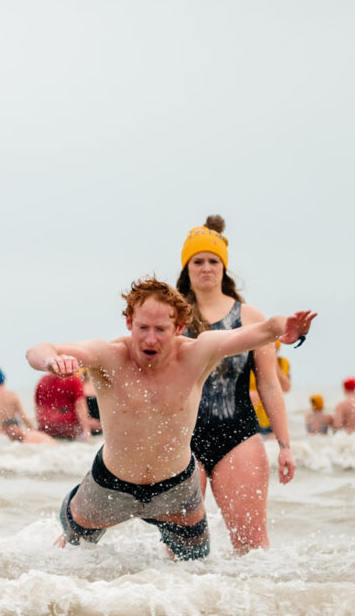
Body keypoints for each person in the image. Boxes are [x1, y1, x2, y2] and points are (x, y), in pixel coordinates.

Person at [27, 277, 314, 560]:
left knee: (195, 573)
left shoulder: (198, 353)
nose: (150, 339)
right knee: (66, 559)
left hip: (176, 490)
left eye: (161, 329)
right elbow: (39, 349)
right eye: (142, 328)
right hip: (110, 486)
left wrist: (281, 327)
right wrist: (51, 361)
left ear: (178, 327)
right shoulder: (109, 355)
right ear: (129, 322)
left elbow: (259, 331)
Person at [175, 217, 294, 552]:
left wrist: (285, 446)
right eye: (198, 261)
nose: (206, 268)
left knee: (252, 548)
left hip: (238, 436)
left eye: (213, 261)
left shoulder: (250, 318)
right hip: (183, 443)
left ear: (224, 267)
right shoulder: (173, 319)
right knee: (180, 553)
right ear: (187, 268)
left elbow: (269, 385)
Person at [34, 368, 92, 441]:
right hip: (67, 428)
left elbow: (38, 407)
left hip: (46, 428)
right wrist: (86, 430)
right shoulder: (74, 380)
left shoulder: (43, 380)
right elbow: (80, 405)